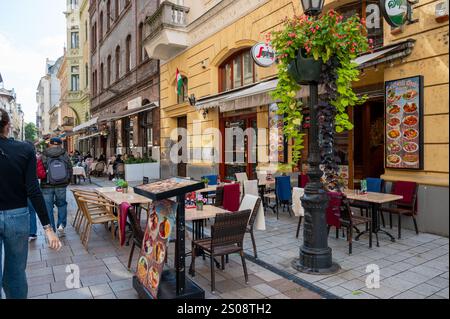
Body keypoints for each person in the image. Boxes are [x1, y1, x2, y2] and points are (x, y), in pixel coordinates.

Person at [0, 109, 61, 299]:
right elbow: (33, 190)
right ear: (8, 126)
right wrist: (48, 227)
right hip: (17, 216)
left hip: (16, 216)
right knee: (16, 273)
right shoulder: (25, 149)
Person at [40, 137, 73, 236]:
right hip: (61, 184)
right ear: (60, 144)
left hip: (46, 185)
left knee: (48, 207)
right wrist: (67, 181)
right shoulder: (64, 154)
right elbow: (70, 168)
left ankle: (51, 230)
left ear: (50, 144)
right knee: (62, 204)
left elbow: (39, 170)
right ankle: (61, 226)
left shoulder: (44, 154)